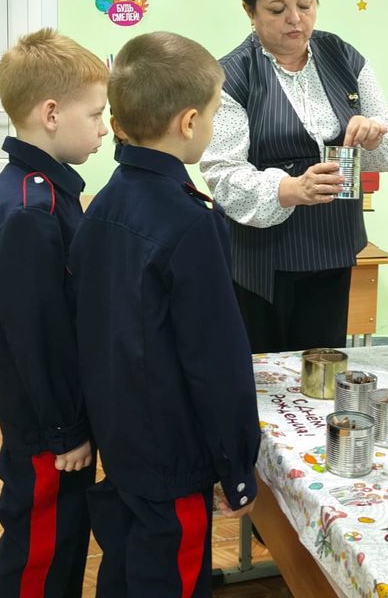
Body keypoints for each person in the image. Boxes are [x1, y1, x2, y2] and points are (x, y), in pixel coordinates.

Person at [72, 32, 260, 598]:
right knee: (170, 576)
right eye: (214, 112)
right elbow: (216, 360)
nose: (213, 122)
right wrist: (237, 466)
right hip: (173, 452)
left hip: (121, 436)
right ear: (188, 122)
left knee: (126, 562)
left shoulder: (102, 204)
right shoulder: (190, 223)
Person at [200, 0, 388, 354]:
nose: (295, 19)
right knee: (264, 370)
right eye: (277, 10)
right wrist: (290, 189)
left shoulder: (344, 57)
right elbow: (222, 174)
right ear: (249, 11)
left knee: (322, 367)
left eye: (305, 4)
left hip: (334, 249)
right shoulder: (232, 76)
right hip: (263, 261)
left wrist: (375, 134)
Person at [0, 28, 107, 598]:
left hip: (56, 413)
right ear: (51, 114)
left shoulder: (49, 191)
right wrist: (65, 430)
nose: (104, 128)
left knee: (64, 539)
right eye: (95, 114)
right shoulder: (31, 209)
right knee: (41, 552)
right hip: (48, 424)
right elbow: (39, 335)